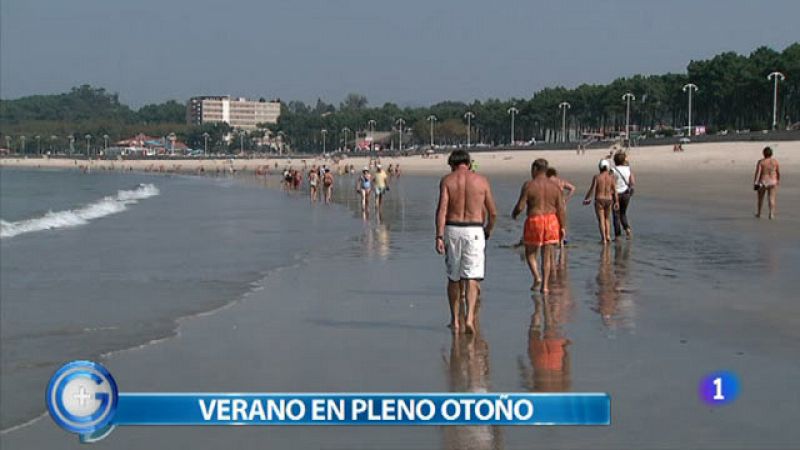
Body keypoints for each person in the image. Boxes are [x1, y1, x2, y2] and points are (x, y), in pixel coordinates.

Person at [436, 150, 497, 334]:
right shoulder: (482, 181)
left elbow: (442, 210)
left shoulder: (447, 181)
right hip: (475, 229)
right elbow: (493, 212)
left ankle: (455, 320)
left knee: (453, 277)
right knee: (472, 277)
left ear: (452, 164)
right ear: (469, 163)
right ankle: (469, 317)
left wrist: (439, 235)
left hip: (453, 228)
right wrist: (488, 229)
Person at [512, 159, 566, 294]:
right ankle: (546, 286)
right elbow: (561, 209)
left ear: (535, 169)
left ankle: (537, 277)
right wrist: (563, 226)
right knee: (547, 256)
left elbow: (521, 206)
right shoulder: (555, 187)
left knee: (530, 253)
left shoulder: (529, 185)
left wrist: (514, 214)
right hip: (552, 220)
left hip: (535, 219)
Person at [583, 160, 618, 244]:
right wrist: (616, 202)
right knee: (607, 218)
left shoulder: (597, 177)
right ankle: (608, 235)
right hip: (609, 199)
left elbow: (592, 189)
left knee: (601, 220)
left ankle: (604, 239)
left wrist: (587, 198)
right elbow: (615, 190)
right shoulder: (611, 177)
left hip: (599, 199)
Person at [611, 152, 635, 239]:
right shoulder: (627, 169)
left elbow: (612, 183)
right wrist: (631, 188)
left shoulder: (613, 170)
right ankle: (627, 230)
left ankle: (617, 236)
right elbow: (632, 181)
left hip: (616, 194)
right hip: (626, 193)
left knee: (616, 215)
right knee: (623, 213)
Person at [754, 146, 781, 219]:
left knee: (760, 198)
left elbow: (758, 173)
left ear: (764, 153)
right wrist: (778, 180)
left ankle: (759, 213)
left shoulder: (761, 162)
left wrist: (755, 183)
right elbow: (778, 172)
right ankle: (771, 214)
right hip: (772, 181)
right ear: (771, 153)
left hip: (763, 181)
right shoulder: (775, 162)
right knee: (771, 198)